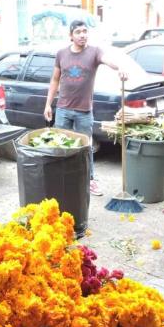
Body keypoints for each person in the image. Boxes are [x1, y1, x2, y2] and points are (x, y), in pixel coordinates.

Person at [44, 20, 128, 196]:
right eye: (78, 32)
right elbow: (55, 80)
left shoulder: (94, 52)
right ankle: (63, 178)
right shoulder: (61, 54)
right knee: (61, 145)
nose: (82, 35)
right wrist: (48, 104)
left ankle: (89, 180)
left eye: (85, 31)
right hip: (63, 109)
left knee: (85, 147)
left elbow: (108, 60)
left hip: (84, 111)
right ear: (71, 36)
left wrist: (119, 67)